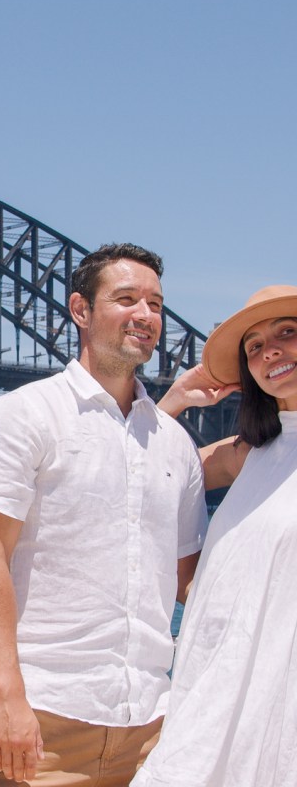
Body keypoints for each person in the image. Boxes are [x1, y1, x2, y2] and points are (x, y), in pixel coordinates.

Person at [0, 242, 209, 786]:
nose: (145, 315)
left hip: (152, 725)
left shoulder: (173, 443)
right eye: (126, 299)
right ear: (80, 310)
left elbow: (191, 581)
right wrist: (7, 698)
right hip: (45, 721)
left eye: (156, 304)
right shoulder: (20, 416)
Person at [131, 285, 297, 787]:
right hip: (219, 689)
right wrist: (176, 400)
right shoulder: (253, 452)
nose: (269, 350)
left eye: (287, 333)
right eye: (253, 346)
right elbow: (140, 475)